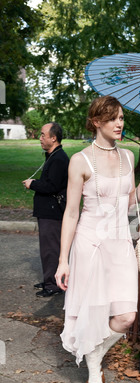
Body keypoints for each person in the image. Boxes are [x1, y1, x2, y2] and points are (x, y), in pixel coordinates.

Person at [55, 96, 140, 383]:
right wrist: (63, 259)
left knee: (125, 316)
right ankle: (94, 376)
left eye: (122, 118)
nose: (120, 124)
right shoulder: (80, 161)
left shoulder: (129, 157)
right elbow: (71, 214)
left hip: (119, 244)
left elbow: (129, 206)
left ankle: (95, 355)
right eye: (113, 118)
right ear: (96, 121)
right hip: (89, 245)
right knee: (94, 312)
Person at [22, 122, 69, 298]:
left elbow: (52, 186)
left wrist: (32, 183)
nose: (40, 138)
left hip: (52, 212)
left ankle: (53, 285)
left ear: (53, 138)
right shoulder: (53, 156)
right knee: (48, 248)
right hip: (48, 211)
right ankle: (50, 278)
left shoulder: (59, 158)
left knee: (51, 249)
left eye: (43, 135)